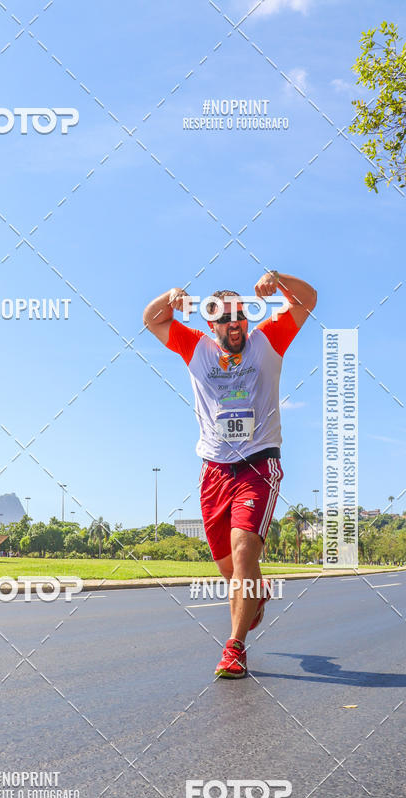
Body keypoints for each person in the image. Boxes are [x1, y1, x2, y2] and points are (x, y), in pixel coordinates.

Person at [143, 271, 317, 678]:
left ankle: (235, 647)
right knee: (229, 568)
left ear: (248, 318)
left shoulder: (267, 342)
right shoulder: (196, 348)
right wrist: (170, 295)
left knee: (243, 553)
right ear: (211, 323)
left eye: (240, 315)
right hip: (214, 470)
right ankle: (256, 592)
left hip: (259, 463)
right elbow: (152, 320)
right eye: (224, 318)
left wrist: (279, 280)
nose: (234, 324)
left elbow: (306, 300)